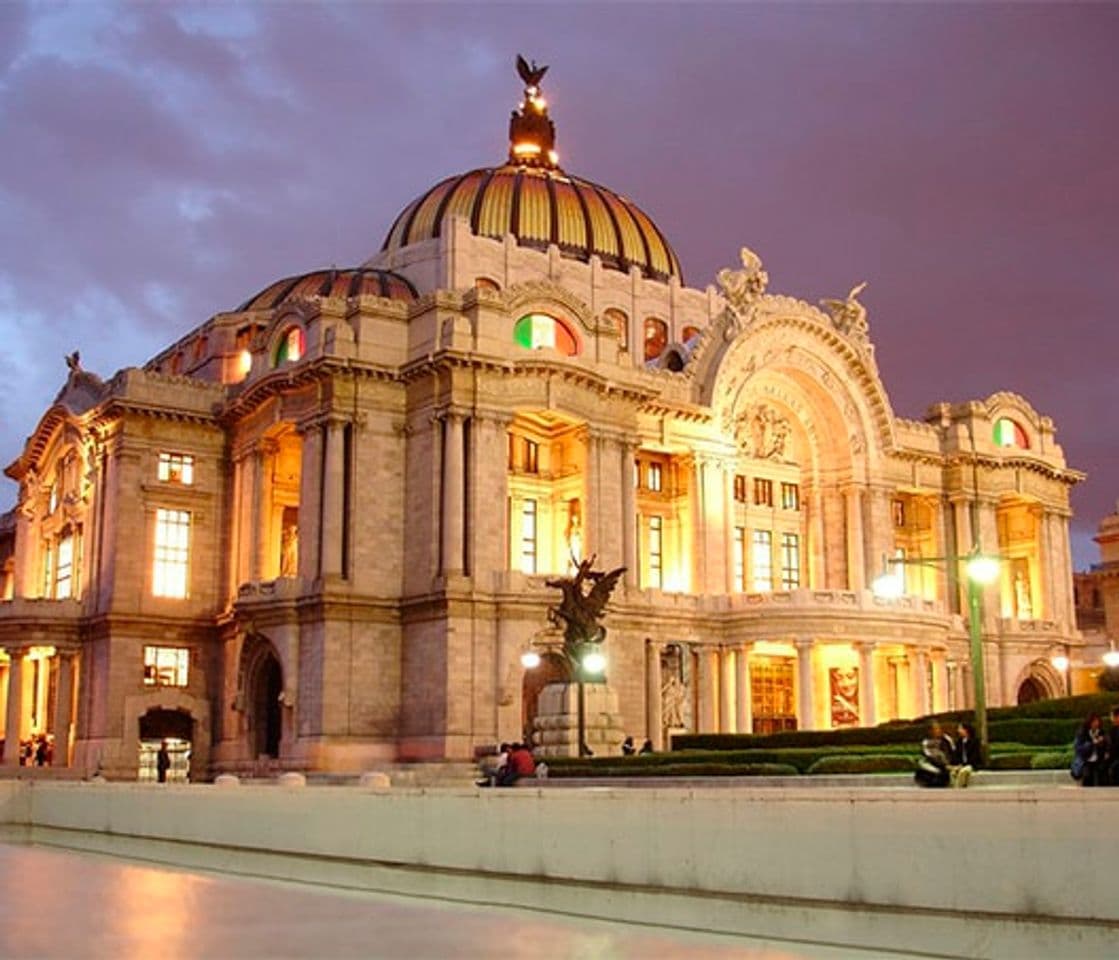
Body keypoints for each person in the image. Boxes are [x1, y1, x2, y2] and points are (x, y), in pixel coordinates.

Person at [1072, 714, 1107, 787]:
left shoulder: (1101, 733)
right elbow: (1078, 748)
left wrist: (1102, 744)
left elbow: (1107, 746)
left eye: (1097, 722)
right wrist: (1092, 743)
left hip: (1098, 762)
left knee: (1100, 780)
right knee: (1087, 779)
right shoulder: (1082, 733)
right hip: (1086, 761)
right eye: (1094, 722)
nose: (1096, 724)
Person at [914, 722, 953, 788]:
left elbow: (951, 751)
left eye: (938, 728)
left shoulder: (946, 739)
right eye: (935, 729)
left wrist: (948, 763)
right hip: (933, 764)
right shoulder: (926, 741)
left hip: (945, 764)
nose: (938, 730)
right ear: (930, 731)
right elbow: (929, 755)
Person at [949, 722, 980, 788]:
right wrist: (957, 765)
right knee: (952, 773)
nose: (958, 731)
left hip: (971, 765)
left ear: (966, 730)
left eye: (960, 728)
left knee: (963, 772)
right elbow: (956, 755)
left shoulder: (974, 742)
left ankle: (958, 789)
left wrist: (963, 765)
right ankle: (953, 787)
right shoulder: (959, 742)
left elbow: (974, 756)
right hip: (961, 764)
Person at [1108, 705, 1119, 787]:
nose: (1111, 718)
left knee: (1113, 769)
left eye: (1112, 716)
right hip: (1113, 758)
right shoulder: (1113, 729)